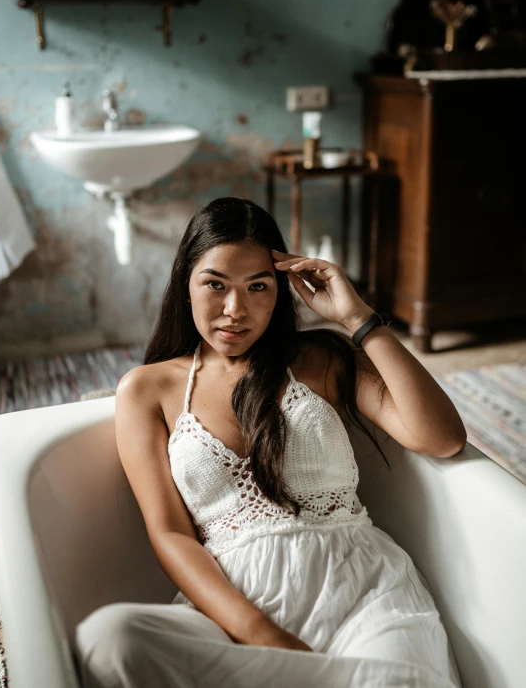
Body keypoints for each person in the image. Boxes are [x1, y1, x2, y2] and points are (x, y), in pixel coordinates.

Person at [75, 197, 466, 687]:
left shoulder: (321, 360)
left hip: (363, 595)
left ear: (280, 291)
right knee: (110, 638)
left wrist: (357, 318)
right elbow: (171, 533)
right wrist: (259, 632)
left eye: (257, 286)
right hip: (231, 617)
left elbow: (443, 438)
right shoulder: (148, 389)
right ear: (185, 285)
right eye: (215, 284)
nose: (235, 310)